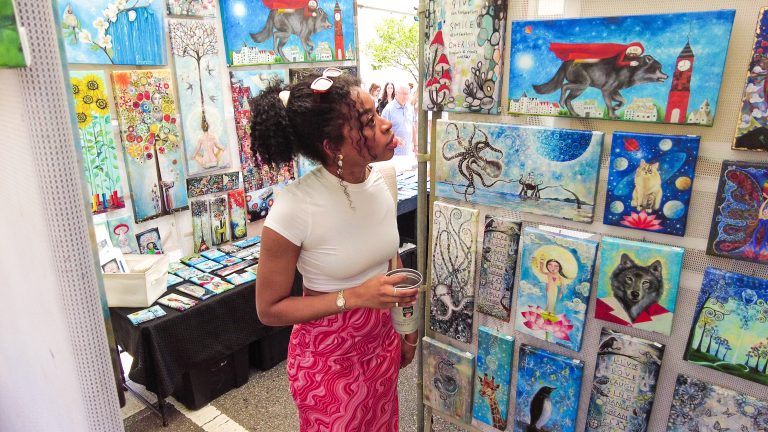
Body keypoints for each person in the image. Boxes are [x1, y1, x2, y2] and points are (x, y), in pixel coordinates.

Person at [250, 69, 419, 431]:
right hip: (329, 360)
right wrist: (355, 296)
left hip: (381, 342)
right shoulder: (294, 206)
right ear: (333, 147)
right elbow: (269, 310)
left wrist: (406, 328)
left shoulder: (378, 181)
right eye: (369, 120)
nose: (386, 124)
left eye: (377, 113)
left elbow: (390, 257)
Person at [381, 83, 416, 157]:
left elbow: (412, 126)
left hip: (407, 152)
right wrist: (395, 138)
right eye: (403, 94)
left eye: (407, 94)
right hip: (393, 154)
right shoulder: (388, 109)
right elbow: (382, 130)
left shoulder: (410, 108)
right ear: (396, 93)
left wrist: (415, 145)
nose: (405, 96)